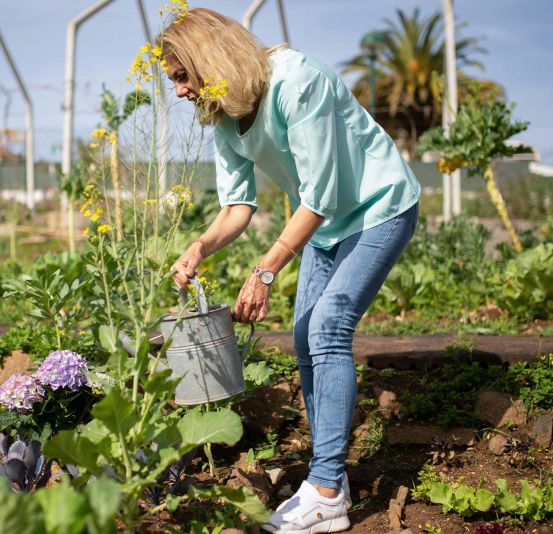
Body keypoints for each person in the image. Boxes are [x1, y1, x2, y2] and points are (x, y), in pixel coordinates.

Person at [161, 8, 420, 533]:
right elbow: (237, 206)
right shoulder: (224, 115)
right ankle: (332, 480)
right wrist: (199, 247)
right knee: (305, 337)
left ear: (207, 60)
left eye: (182, 77)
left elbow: (320, 195)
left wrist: (265, 270)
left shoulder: (297, 82)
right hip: (324, 227)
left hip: (378, 208)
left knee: (329, 328)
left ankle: (326, 490)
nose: (181, 92)